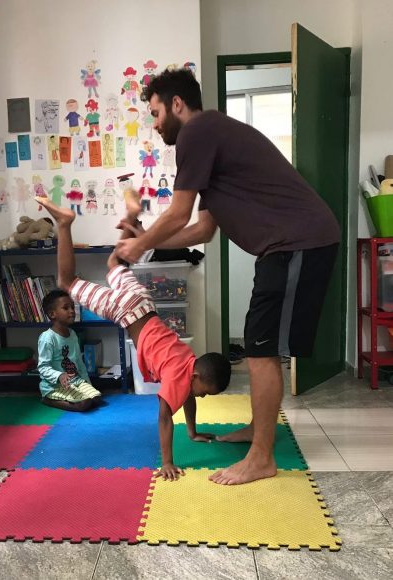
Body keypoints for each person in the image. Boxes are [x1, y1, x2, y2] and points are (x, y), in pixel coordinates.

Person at [115, 68, 340, 486]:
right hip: (287, 244)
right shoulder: (212, 138)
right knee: (260, 343)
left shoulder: (196, 134)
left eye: (156, 112)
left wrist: (135, 247)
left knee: (260, 346)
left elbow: (178, 215)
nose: (155, 122)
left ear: (177, 104)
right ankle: (259, 431)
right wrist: (146, 239)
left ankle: (261, 457)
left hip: (298, 241)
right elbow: (201, 229)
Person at [35, 194, 231, 481]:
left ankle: (131, 217)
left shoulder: (189, 364)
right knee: (67, 283)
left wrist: (192, 431)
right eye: (204, 390)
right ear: (197, 375)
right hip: (125, 311)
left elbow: (190, 398)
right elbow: (165, 417)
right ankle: (64, 223)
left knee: (115, 263)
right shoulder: (180, 378)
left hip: (143, 303)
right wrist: (167, 461)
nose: (201, 395)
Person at [38, 289, 102, 412]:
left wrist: (87, 383)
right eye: (66, 308)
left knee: (96, 398)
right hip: (55, 386)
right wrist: (59, 375)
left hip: (75, 381)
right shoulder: (47, 338)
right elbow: (43, 367)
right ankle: (48, 399)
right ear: (52, 314)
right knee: (83, 404)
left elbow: (78, 361)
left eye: (72, 307)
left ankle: (80, 397)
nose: (72, 311)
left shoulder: (72, 334)